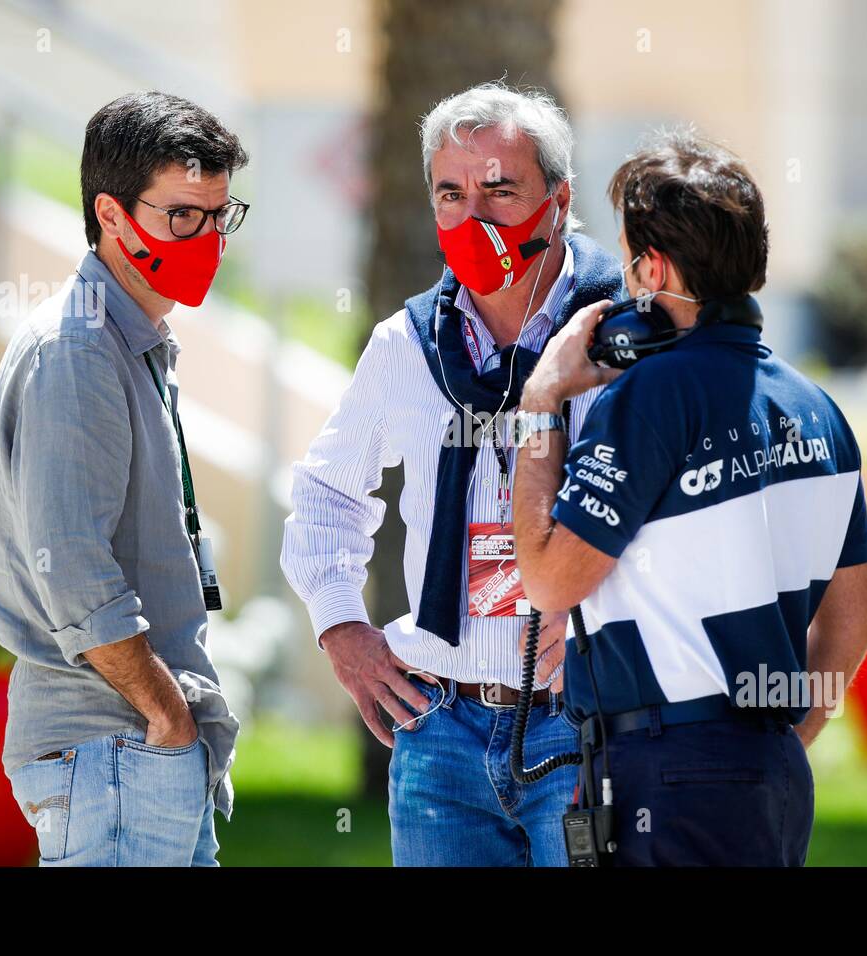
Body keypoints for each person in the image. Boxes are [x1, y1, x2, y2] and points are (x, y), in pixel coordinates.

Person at [511, 129, 867, 866]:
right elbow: (858, 620)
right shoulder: (816, 406)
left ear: (653, 267)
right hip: (768, 773)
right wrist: (772, 741)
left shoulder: (653, 395)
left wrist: (541, 401)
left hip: (668, 775)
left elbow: (550, 577)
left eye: (628, 262)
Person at [280, 82, 625, 866]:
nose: (475, 217)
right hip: (439, 734)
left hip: (585, 726)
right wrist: (339, 625)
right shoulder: (406, 345)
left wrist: (613, 623)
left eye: (501, 191)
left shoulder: (624, 337)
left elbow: (675, 515)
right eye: (451, 194)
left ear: (559, 199)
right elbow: (327, 494)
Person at [0, 91, 250, 866]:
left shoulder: (126, 339)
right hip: (117, 749)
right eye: (183, 215)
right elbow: (73, 571)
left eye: (219, 215)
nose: (207, 239)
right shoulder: (80, 350)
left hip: (135, 752)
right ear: (111, 214)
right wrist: (168, 716)